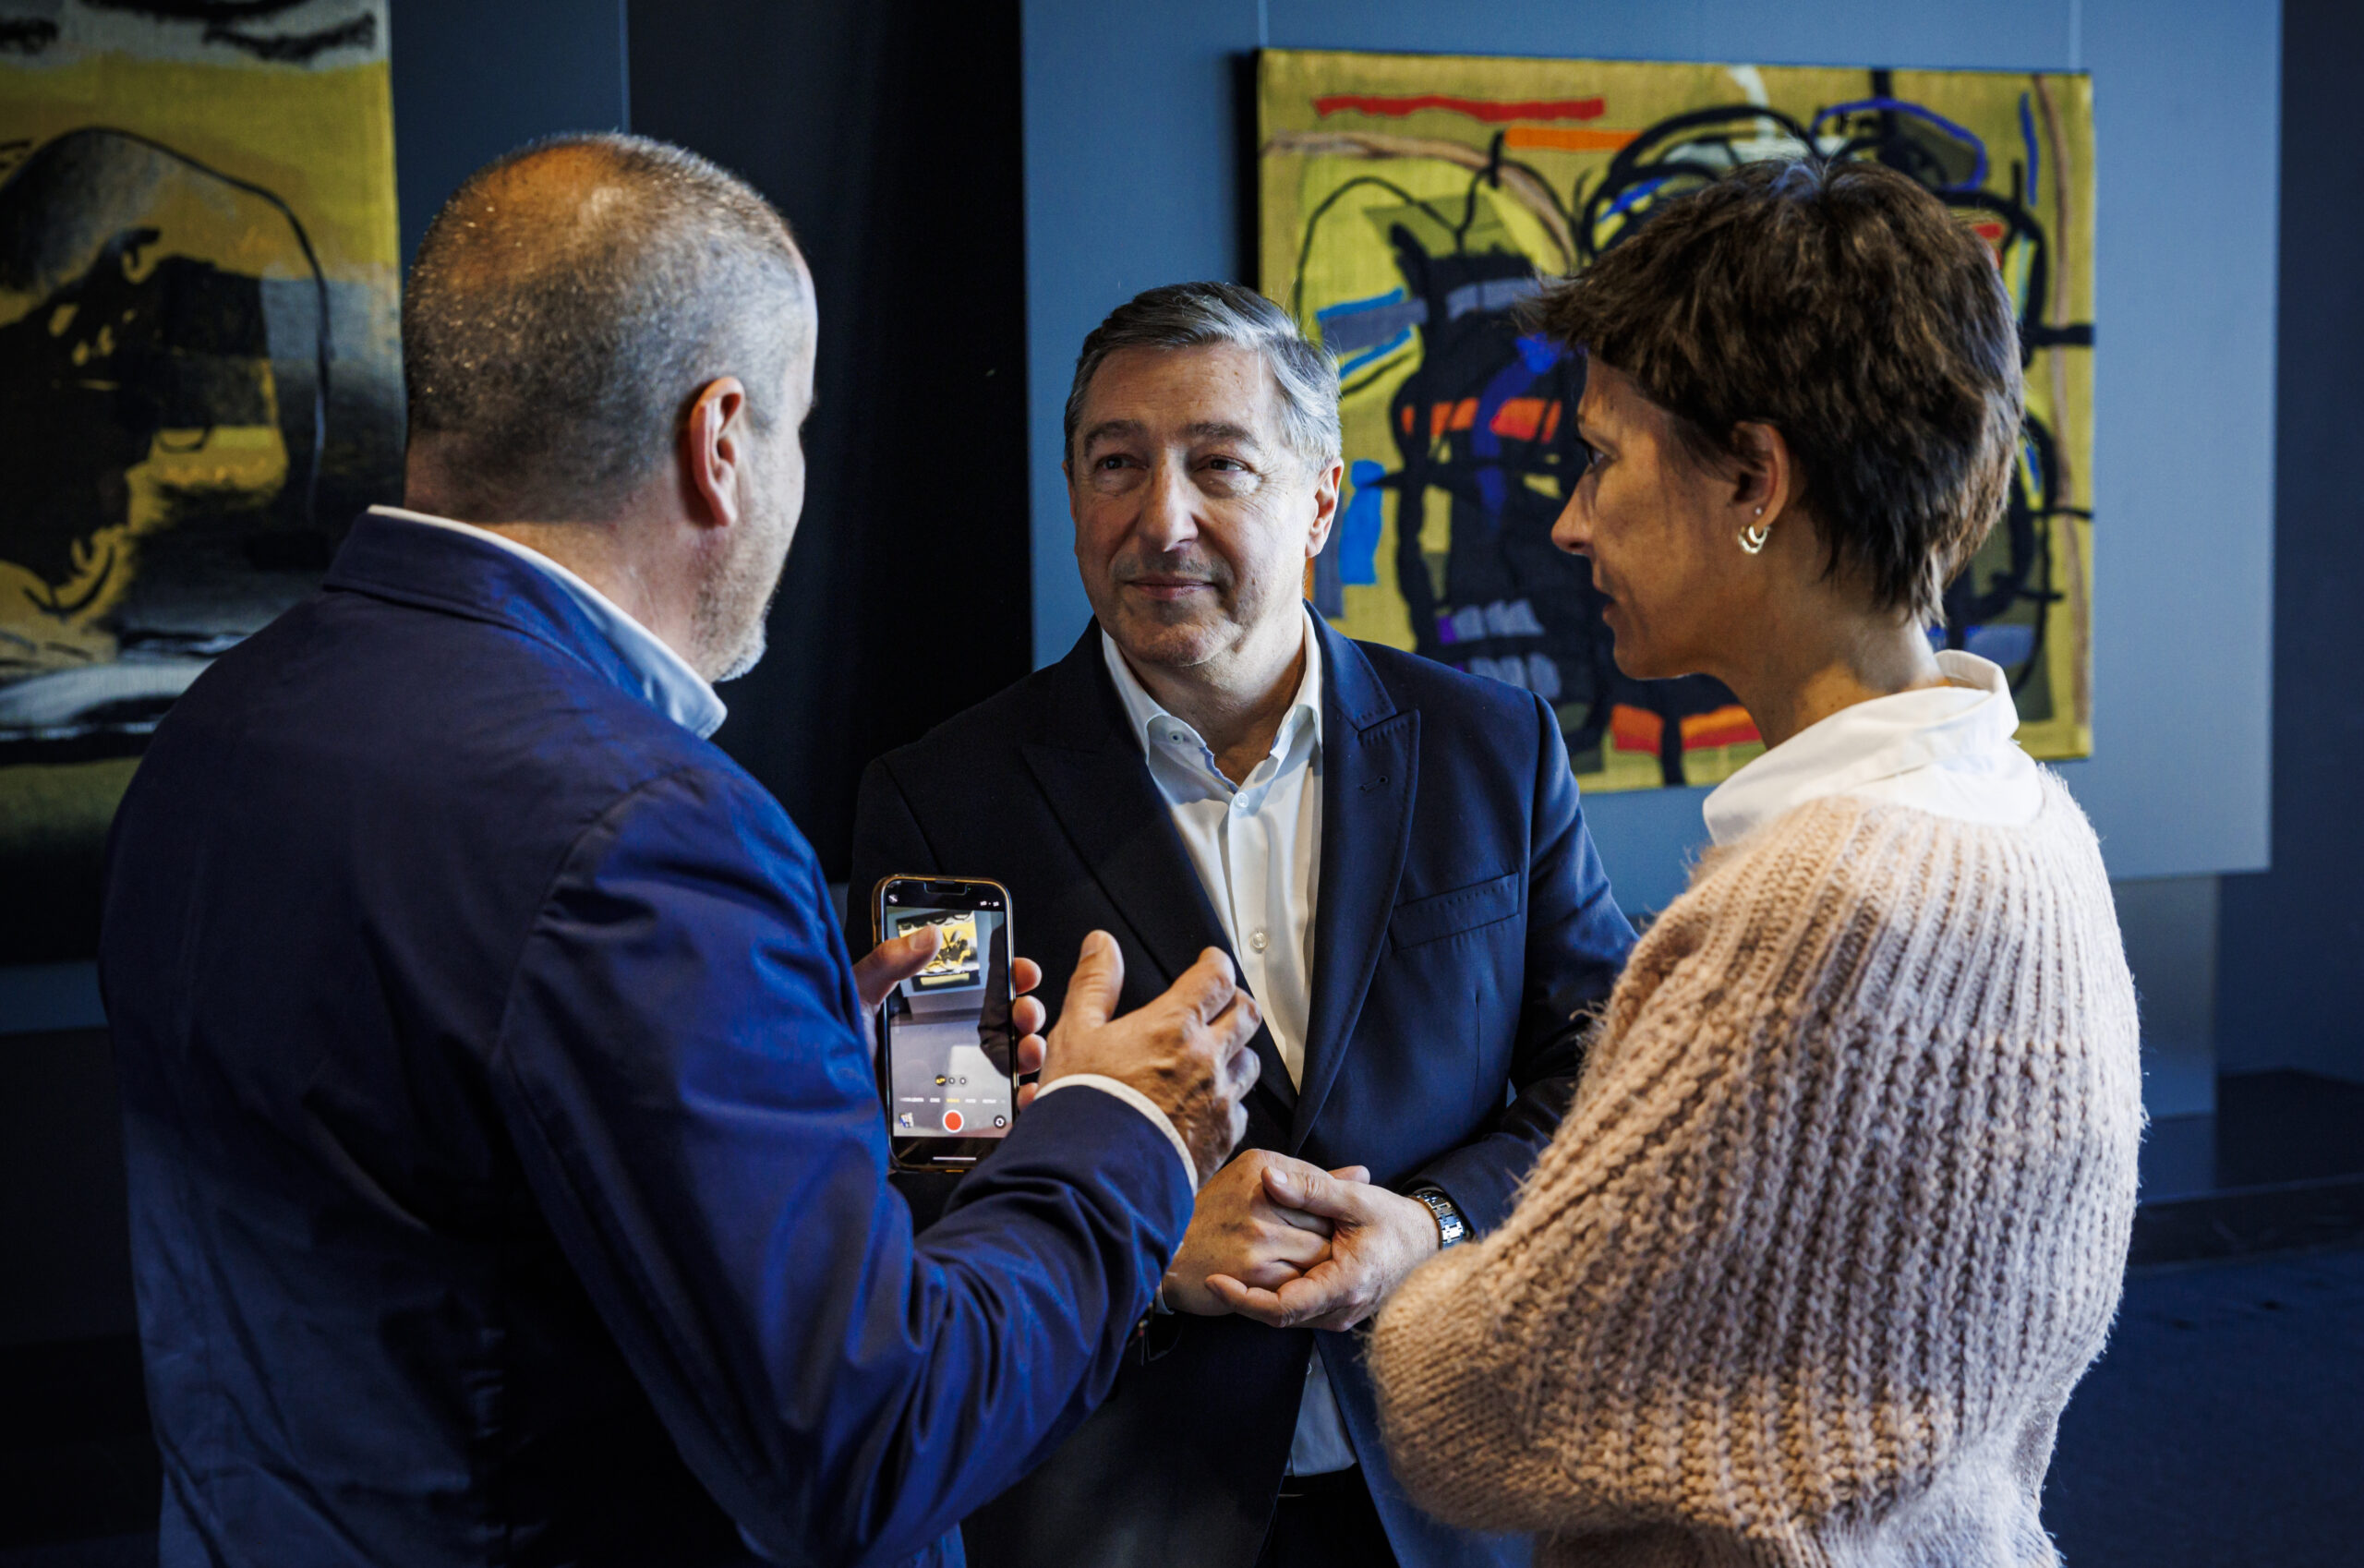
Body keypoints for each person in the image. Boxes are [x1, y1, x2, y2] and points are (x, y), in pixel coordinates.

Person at [97, 134, 1264, 1568]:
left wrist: (780, 1066)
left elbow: (444, 1175)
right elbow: (872, 1446)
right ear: (720, 442)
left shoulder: (223, 722)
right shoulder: (648, 834)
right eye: (795, 427)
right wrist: (1117, 1126)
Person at [1361, 158, 2144, 1567]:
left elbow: (1475, 1400)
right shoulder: (2035, 829)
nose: (1570, 520)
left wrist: (1404, 1261)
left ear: (1755, 479)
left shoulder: (1820, 906)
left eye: (1602, 456)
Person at [846, 281, 1635, 1568]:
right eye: (1117, 464)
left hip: (1456, 1504)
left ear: (1321, 500)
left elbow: (1603, 1079)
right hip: (1121, 1514)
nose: (1161, 518)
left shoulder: (1495, 750)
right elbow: (930, 1167)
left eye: (1219, 464)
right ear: (1072, 491)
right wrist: (1144, 1240)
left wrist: (1434, 1224)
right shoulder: (945, 804)